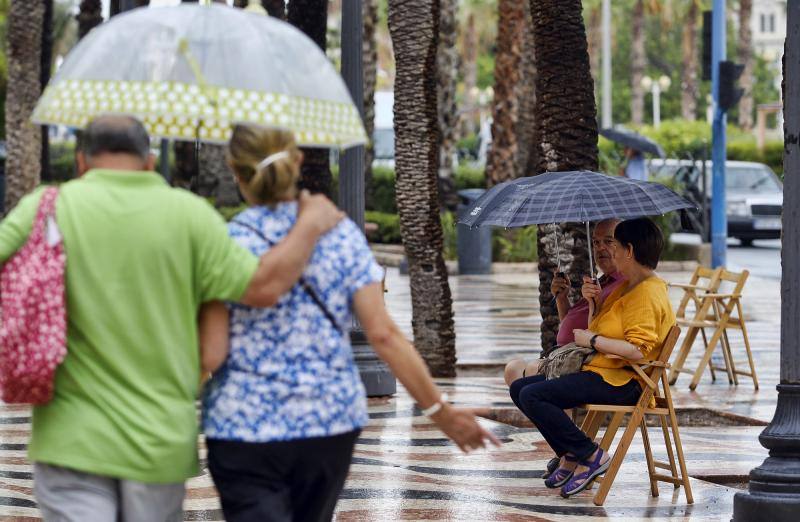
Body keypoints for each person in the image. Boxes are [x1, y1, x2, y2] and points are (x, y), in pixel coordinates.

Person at [0, 115, 345, 521]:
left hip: (70, 438)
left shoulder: (46, 207)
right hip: (158, 438)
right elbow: (263, 287)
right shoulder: (190, 215)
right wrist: (308, 226)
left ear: (81, 162)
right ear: (149, 162)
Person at [199, 124, 500, 522]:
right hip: (328, 422)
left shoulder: (224, 241)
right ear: (299, 162)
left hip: (243, 425)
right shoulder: (340, 235)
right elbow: (383, 334)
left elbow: (213, 352)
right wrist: (440, 412)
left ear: (236, 172)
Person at [508, 217, 674, 498]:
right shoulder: (628, 287)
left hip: (623, 381)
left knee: (534, 396)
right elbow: (599, 326)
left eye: (615, 246)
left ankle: (590, 454)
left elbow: (638, 350)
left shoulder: (647, 292)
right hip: (603, 371)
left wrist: (594, 339)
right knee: (520, 388)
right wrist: (594, 306)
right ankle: (571, 452)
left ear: (630, 251)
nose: (609, 253)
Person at [503, 218, 624, 386]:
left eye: (608, 241)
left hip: (587, 360)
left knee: (531, 370)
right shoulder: (601, 281)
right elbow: (571, 322)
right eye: (596, 242)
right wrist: (561, 298)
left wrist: (594, 303)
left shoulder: (623, 285)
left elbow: (603, 331)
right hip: (565, 353)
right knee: (513, 368)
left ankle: (557, 412)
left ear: (626, 247)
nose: (600, 248)